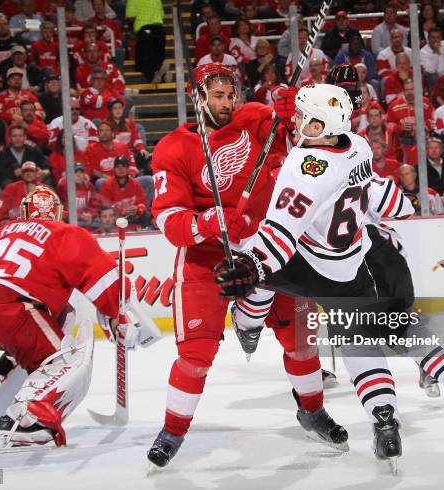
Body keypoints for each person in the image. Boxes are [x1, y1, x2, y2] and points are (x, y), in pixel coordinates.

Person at [147, 64, 345, 468]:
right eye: (217, 96)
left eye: (230, 94)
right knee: (196, 352)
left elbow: (301, 146)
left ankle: (311, 410)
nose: (226, 103)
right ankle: (172, 430)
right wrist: (210, 221)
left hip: (271, 245)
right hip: (208, 255)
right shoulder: (173, 147)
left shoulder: (255, 118)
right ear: (198, 97)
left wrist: (294, 114)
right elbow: (170, 221)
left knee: (302, 341)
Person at [214, 83, 407, 468]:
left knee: (247, 249)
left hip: (306, 262)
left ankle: (249, 321)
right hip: (350, 267)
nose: (296, 121)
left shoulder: (304, 170)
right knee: (362, 347)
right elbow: (376, 193)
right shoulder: (358, 145)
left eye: (304, 118)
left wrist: (253, 266)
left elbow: (281, 232)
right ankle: (384, 417)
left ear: (321, 125)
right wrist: (400, 203)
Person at [0, 186, 146, 449]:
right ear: (57, 213)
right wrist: (117, 315)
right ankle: (28, 421)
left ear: (25, 212)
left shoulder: (3, 232)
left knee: (54, 325)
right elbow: (101, 274)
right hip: (15, 310)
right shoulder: (63, 231)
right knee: (66, 357)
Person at [126, 0, 167, 84]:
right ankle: (161, 74)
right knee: (158, 59)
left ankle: (153, 77)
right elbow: (162, 14)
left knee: (143, 60)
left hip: (144, 31)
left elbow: (130, 17)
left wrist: (131, 30)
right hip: (159, 30)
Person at [100, 156, 147, 228]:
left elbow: (143, 202)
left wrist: (137, 208)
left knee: (147, 216)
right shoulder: (107, 184)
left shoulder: (135, 183)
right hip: (116, 217)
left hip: (132, 216)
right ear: (114, 169)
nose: (120, 169)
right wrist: (121, 211)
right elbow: (105, 206)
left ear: (128, 169)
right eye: (118, 167)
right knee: (108, 218)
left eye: (123, 166)